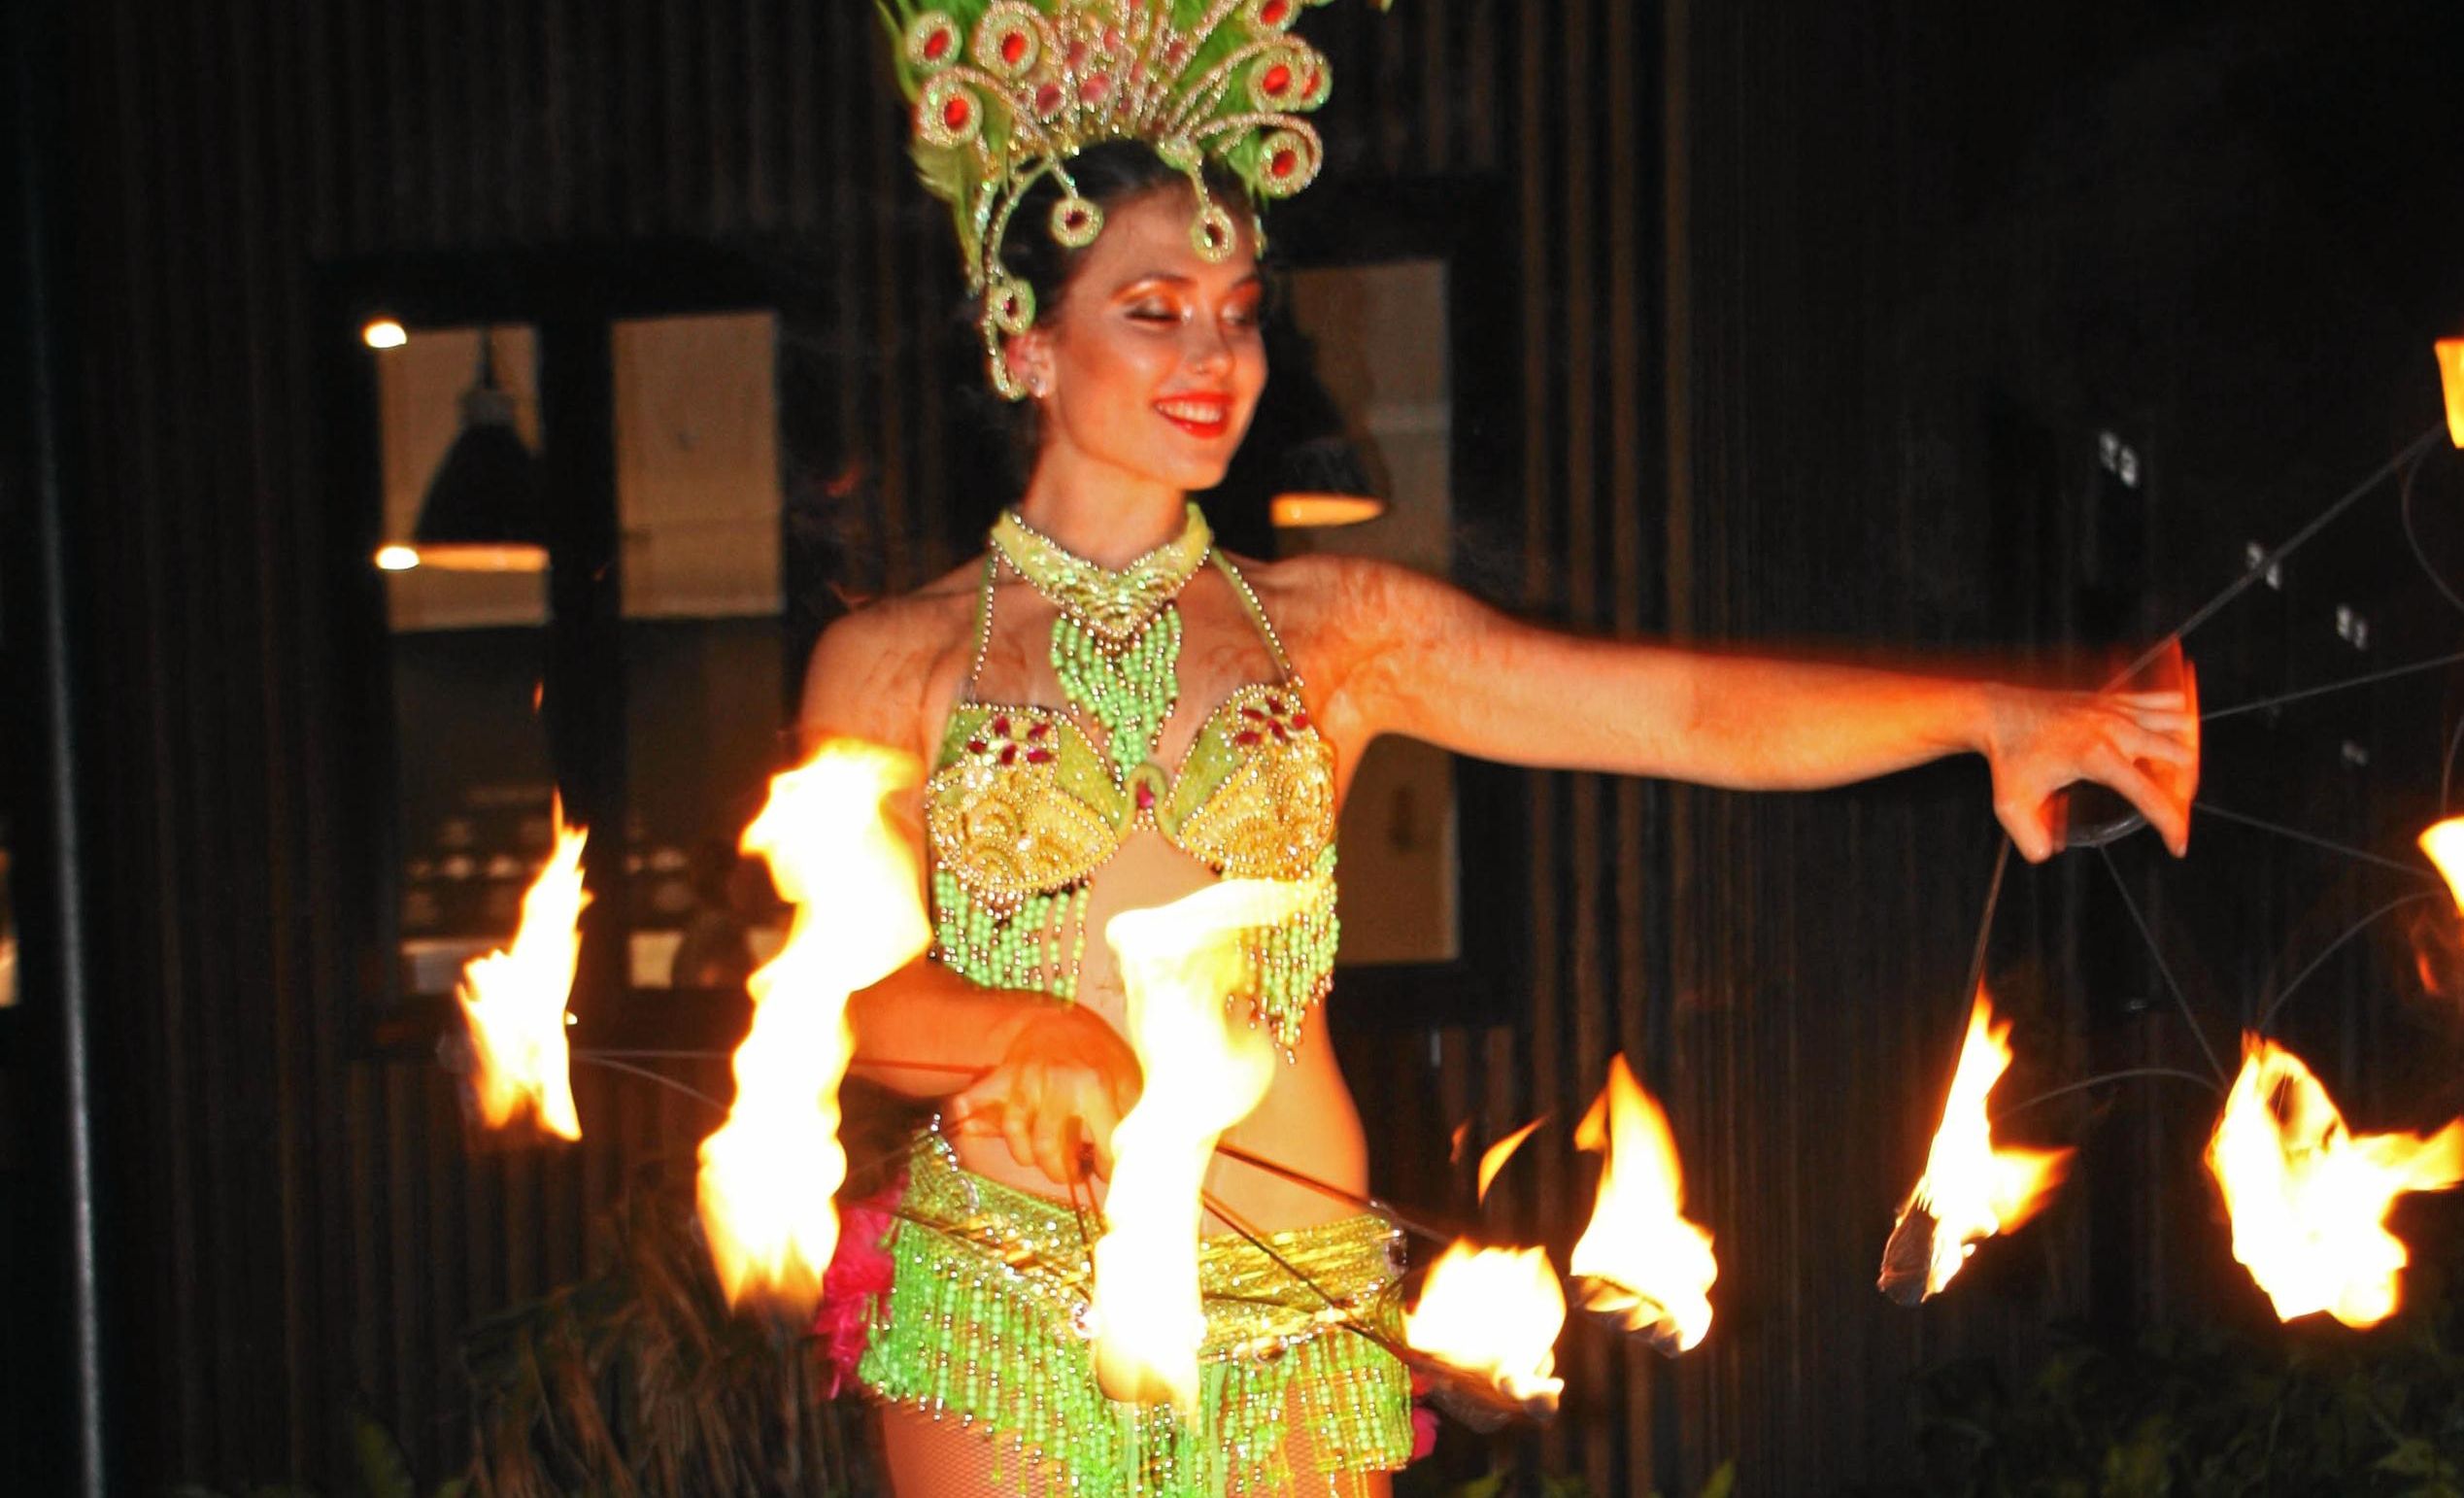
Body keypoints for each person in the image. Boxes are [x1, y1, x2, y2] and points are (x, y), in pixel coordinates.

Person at [806, 10, 2197, 1496]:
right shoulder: (894, 660)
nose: (1215, 351)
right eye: (1153, 308)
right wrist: (1019, 1030)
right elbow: (849, 998)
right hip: (1007, 1285)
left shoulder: (1332, 628)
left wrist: (1988, 713)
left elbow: (1676, 714)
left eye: (1238, 306)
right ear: (1026, 339)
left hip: (1287, 1282)